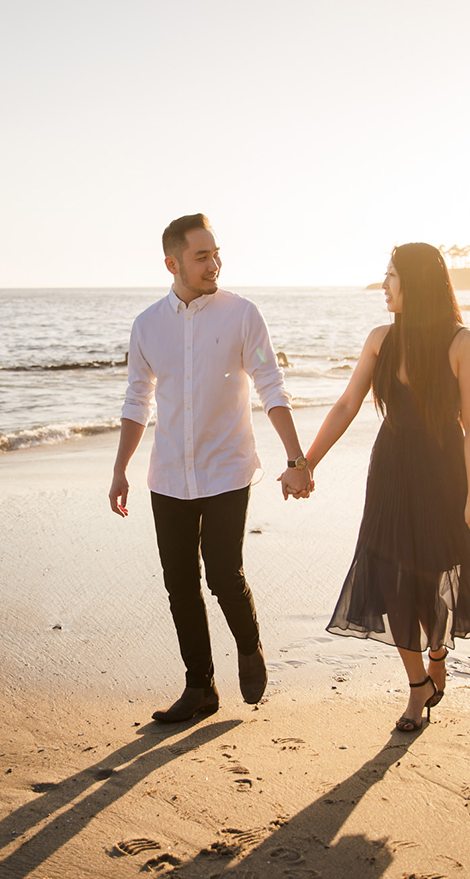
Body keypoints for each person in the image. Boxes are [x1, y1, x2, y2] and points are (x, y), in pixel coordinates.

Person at [108, 213, 314, 724]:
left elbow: (271, 385)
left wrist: (296, 458)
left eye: (216, 253)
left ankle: (249, 646)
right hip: (169, 476)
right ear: (171, 262)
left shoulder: (242, 314)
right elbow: (138, 400)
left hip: (227, 470)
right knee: (180, 583)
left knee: (223, 574)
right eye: (202, 255)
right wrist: (120, 470)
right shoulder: (147, 325)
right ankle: (199, 687)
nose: (214, 263)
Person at [298, 243, 470, 732]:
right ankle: (417, 687)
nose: (385, 285)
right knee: (392, 579)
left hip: (442, 473)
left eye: (392, 275)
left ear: (418, 282)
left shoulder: (464, 344)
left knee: (433, 573)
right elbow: (348, 404)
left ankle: (437, 653)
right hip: (389, 469)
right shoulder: (379, 340)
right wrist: (305, 463)